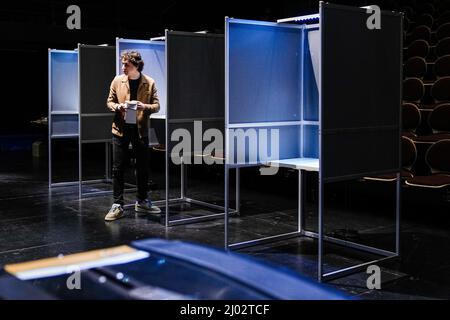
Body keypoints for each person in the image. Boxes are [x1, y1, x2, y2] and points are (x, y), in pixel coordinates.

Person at [104, 50, 161, 221]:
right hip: (120, 129)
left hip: (140, 129)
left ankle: (142, 201)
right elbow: (109, 101)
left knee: (143, 167)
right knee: (118, 168)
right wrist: (117, 107)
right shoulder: (117, 80)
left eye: (126, 65)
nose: (123, 67)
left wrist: (145, 107)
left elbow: (157, 106)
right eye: (123, 64)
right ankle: (117, 204)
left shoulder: (149, 83)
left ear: (136, 65)